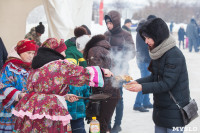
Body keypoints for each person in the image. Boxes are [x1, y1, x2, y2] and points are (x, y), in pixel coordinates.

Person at [12, 38, 113, 133]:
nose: (65, 54)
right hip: (50, 109)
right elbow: (80, 73)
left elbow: (44, 89)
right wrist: (102, 71)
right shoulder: (58, 65)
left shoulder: (35, 67)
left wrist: (64, 96)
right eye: (63, 51)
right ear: (56, 51)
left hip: (31, 108)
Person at [125, 18, 190, 133]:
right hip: (161, 109)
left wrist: (142, 87)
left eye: (148, 38)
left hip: (175, 110)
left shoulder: (174, 55)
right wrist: (138, 82)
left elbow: (167, 83)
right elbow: (155, 77)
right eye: (145, 38)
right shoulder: (158, 52)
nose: (146, 41)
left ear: (158, 36)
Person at [104, 10, 135, 133]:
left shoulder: (126, 35)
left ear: (116, 22)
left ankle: (118, 124)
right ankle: (108, 123)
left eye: (110, 23)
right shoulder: (105, 34)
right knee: (107, 97)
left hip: (121, 70)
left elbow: (132, 53)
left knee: (118, 97)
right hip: (108, 70)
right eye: (107, 23)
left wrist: (120, 55)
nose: (108, 25)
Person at [83, 35, 120, 133]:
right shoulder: (106, 49)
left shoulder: (94, 50)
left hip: (103, 93)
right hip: (111, 91)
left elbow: (95, 71)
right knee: (102, 124)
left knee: (98, 125)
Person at [0, 39, 37, 133]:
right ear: (20, 52)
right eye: (28, 52)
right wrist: (19, 95)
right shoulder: (10, 67)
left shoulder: (31, 67)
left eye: (33, 53)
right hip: (11, 110)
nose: (31, 56)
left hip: (26, 109)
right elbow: (4, 86)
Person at [65, 27, 91, 133]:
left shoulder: (77, 49)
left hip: (79, 94)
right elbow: (70, 73)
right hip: (72, 97)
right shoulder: (70, 52)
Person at [133, 15, 156, 113]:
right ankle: (137, 104)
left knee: (148, 81)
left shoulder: (143, 29)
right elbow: (146, 47)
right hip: (144, 60)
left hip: (145, 59)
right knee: (144, 82)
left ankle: (146, 101)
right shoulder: (144, 31)